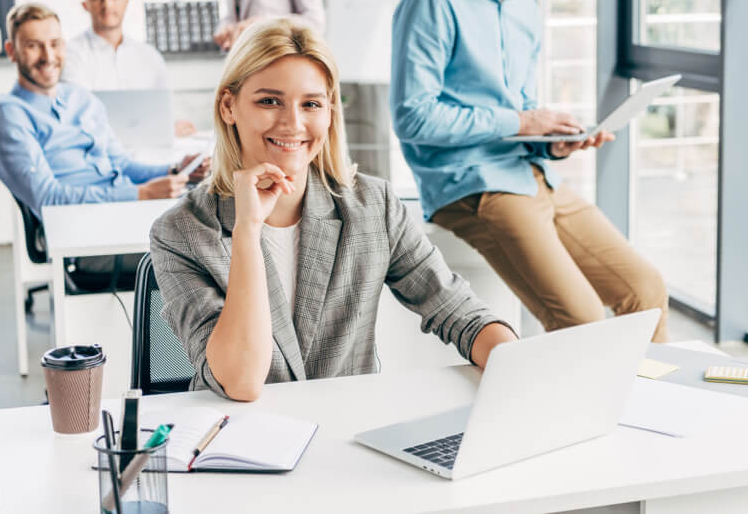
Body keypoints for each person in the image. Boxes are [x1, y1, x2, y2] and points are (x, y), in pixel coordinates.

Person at [149, 20, 516, 401]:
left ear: (329, 112)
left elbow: (455, 309)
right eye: (269, 101)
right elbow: (241, 381)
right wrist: (247, 230)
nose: (293, 124)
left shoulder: (374, 207)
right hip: (238, 442)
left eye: (311, 104)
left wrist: (516, 364)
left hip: (348, 433)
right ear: (229, 106)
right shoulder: (182, 231)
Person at [390, 0, 669, 341]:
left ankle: (648, 414)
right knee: (581, 319)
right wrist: (520, 123)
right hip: (472, 186)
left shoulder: (524, 8)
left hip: (533, 174)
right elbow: (413, 116)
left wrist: (552, 143)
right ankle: (581, 416)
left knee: (645, 290)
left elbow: (521, 113)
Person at [0, 2, 209, 218]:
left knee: (215, 213)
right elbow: (47, 198)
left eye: (55, 44)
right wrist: (141, 194)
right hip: (85, 227)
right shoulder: (10, 116)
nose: (48, 56)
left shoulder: (82, 98)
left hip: (124, 212)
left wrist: (175, 169)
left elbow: (121, 164)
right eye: (33, 46)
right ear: (11, 51)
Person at [63, 0, 195, 136]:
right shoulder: (71, 54)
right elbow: (78, 116)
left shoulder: (149, 56)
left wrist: (176, 125)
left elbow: (166, 111)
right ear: (85, 5)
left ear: (126, 2)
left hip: (151, 149)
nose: (107, 4)